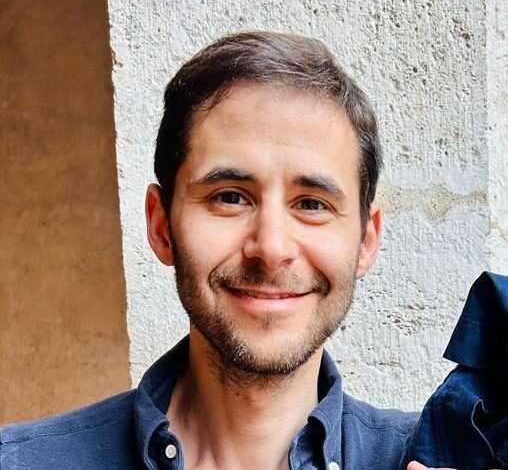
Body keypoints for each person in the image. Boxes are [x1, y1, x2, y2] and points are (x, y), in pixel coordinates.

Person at [0, 32, 464, 470]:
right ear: (161, 226)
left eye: (311, 204)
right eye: (229, 197)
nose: (271, 248)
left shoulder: (448, 456)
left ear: (366, 240)